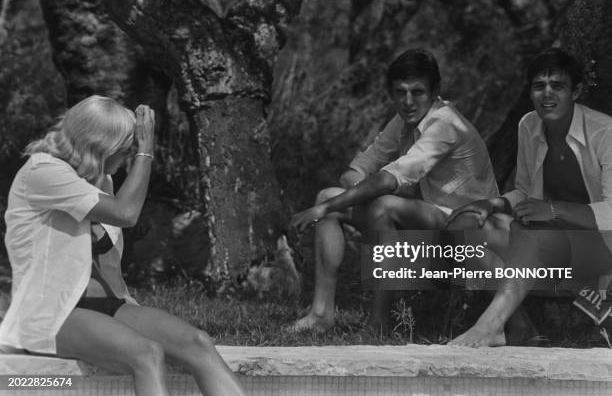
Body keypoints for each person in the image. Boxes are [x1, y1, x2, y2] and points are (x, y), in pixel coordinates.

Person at [0, 96, 245, 396]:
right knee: (146, 355)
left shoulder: (99, 182)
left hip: (109, 306)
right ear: (100, 144)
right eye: (125, 149)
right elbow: (125, 213)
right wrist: (146, 152)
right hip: (52, 313)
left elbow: (107, 258)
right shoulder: (43, 172)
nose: (128, 157)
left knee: (198, 343)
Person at [289, 49, 499, 332]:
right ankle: (321, 314)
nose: (408, 101)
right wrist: (336, 202)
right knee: (328, 196)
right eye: (400, 92)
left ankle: (378, 322)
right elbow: (357, 170)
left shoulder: (445, 124)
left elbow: (389, 178)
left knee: (374, 205)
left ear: (435, 91)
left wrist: (334, 206)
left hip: (467, 237)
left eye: (417, 92)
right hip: (423, 227)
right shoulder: (403, 121)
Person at [447, 48, 612, 347]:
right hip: (549, 248)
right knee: (469, 226)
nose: (546, 94)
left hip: (600, 251)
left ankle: (487, 326)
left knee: (530, 232)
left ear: (576, 91)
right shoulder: (528, 125)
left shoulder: (605, 133)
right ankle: (517, 326)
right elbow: (525, 190)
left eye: (557, 86)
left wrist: (552, 210)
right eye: (539, 86)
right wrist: (493, 204)